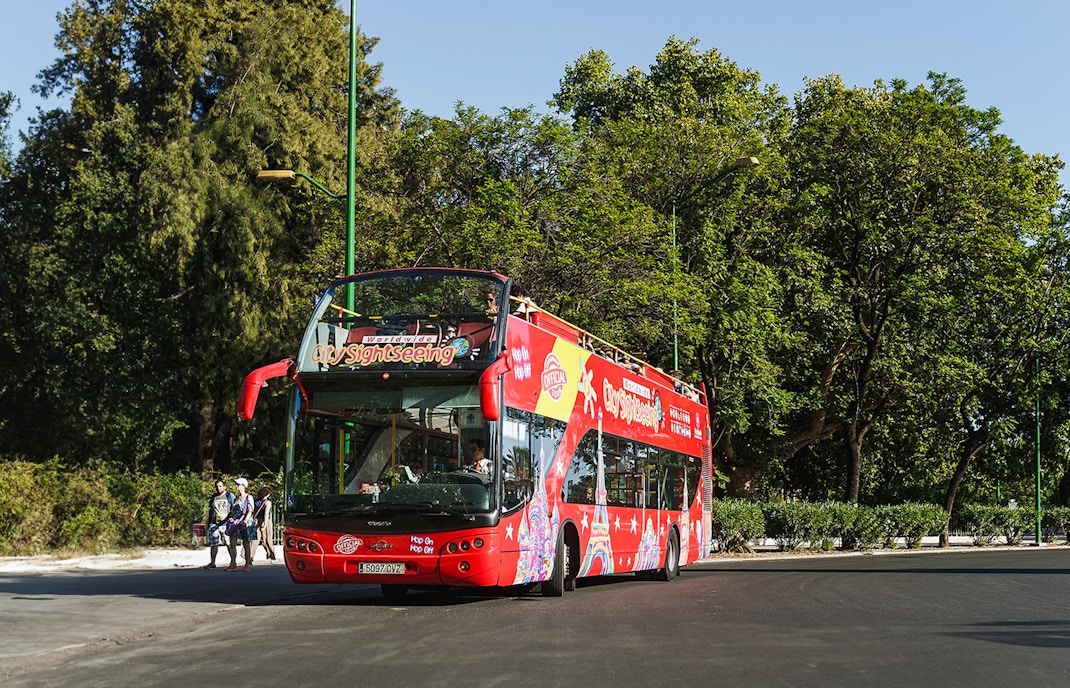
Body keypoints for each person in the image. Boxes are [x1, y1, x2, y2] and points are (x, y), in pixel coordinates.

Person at [204, 479, 236, 570]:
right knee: (214, 543)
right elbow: (211, 510)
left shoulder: (230, 496)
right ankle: (213, 562)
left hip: (226, 523)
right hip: (215, 523)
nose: (218, 488)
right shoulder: (214, 497)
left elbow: (234, 509)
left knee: (229, 543)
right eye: (217, 486)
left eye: (220, 486)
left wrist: (231, 519)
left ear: (224, 487)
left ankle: (233, 562)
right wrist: (209, 522)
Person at [229, 477, 257, 572]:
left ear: (244, 486)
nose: (236, 486)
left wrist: (245, 520)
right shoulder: (236, 498)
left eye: (238, 484)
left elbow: (250, 510)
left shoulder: (249, 497)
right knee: (232, 543)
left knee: (246, 544)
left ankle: (246, 564)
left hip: (245, 522)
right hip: (235, 522)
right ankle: (233, 563)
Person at [253, 486, 276, 562]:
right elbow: (266, 514)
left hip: (256, 520)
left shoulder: (255, 501)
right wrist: (265, 524)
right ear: (268, 494)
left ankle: (250, 557)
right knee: (267, 539)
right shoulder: (267, 502)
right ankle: (272, 556)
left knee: (255, 539)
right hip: (264, 521)